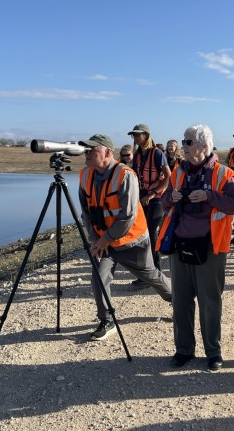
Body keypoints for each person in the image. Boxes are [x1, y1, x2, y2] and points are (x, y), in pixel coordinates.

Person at [158, 124, 234, 371]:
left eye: (188, 142)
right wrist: (169, 198)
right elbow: (164, 202)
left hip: (211, 248)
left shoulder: (223, 174)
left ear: (204, 147)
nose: (183, 146)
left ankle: (213, 353)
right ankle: (184, 350)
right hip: (179, 245)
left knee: (210, 302)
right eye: (184, 142)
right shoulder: (178, 172)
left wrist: (209, 197)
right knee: (181, 301)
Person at [77, 134, 173, 341]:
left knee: (149, 274)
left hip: (132, 240)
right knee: (99, 277)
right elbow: (86, 212)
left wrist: (104, 240)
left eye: (92, 150)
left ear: (108, 153)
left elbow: (128, 216)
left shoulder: (125, 175)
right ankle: (107, 319)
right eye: (86, 150)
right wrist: (96, 239)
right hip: (104, 241)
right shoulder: (85, 175)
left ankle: (177, 299)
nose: (87, 154)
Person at [128, 124, 170, 282]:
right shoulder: (138, 154)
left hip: (156, 197)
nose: (135, 138)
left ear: (146, 135)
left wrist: (152, 194)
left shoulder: (157, 153)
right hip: (142, 196)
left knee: (151, 232)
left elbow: (168, 177)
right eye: (134, 136)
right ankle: (147, 271)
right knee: (141, 233)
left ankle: (156, 271)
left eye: (138, 135)